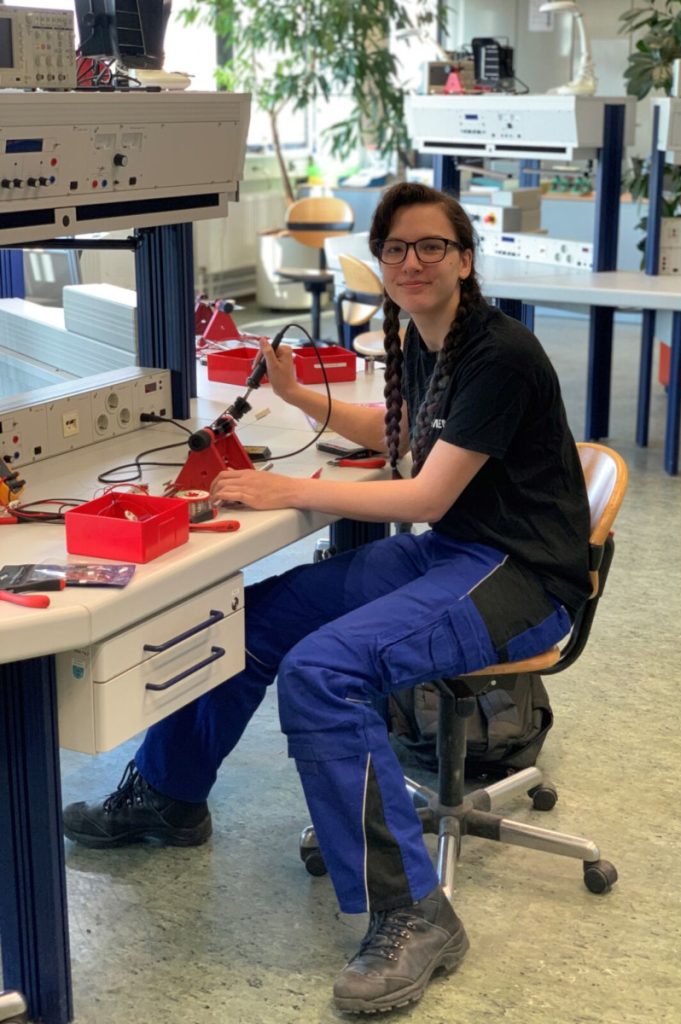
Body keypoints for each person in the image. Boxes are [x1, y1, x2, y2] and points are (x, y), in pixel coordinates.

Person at [63, 182, 592, 1014]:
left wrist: (282, 490)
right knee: (253, 623)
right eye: (396, 249)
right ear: (379, 261)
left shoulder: (501, 354)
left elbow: (426, 495)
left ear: (464, 260)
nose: (412, 262)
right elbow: (408, 435)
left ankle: (413, 914)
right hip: (451, 555)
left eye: (432, 246)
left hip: (519, 574)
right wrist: (301, 397)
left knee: (324, 671)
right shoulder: (428, 339)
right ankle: (168, 796)